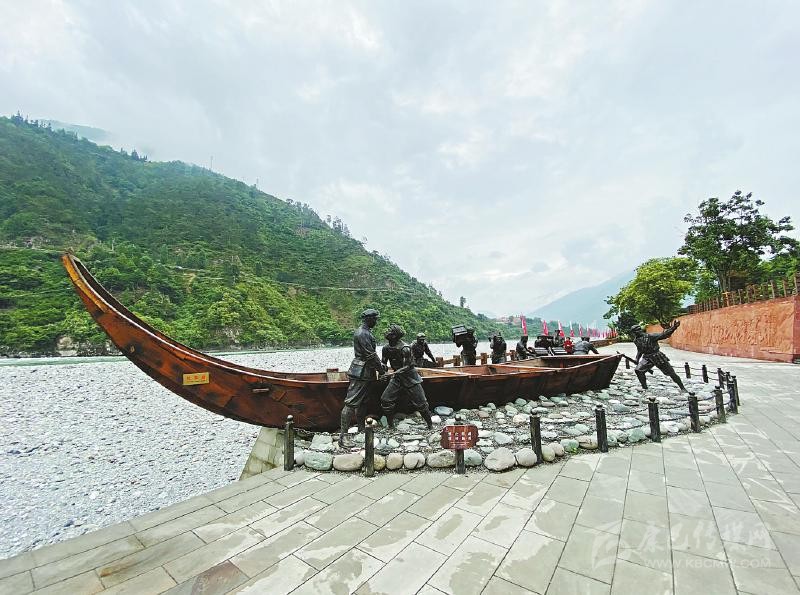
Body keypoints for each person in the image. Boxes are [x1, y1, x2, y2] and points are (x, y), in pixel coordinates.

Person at [339, 309, 386, 448]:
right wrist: (381, 370)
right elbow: (370, 355)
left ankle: (361, 428)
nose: (376, 321)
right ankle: (343, 436)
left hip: (367, 372)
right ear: (369, 319)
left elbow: (372, 355)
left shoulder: (366, 332)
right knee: (351, 402)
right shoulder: (362, 333)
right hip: (360, 372)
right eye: (375, 319)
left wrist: (379, 366)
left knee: (363, 402)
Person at [380, 324, 434, 429]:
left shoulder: (405, 348)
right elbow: (384, 363)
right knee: (385, 400)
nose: (386, 332)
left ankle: (430, 425)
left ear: (394, 335)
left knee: (421, 403)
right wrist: (382, 370)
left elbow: (408, 366)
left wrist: (393, 373)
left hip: (410, 378)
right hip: (397, 378)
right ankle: (391, 426)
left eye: (389, 331)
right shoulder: (385, 348)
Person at [631, 322, 689, 392]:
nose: (635, 333)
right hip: (646, 357)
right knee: (638, 370)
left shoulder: (651, 336)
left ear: (640, 330)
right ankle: (644, 388)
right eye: (634, 332)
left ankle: (682, 387)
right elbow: (640, 350)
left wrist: (674, 327)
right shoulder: (636, 340)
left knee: (671, 373)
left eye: (636, 331)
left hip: (657, 356)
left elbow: (664, 335)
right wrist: (637, 358)